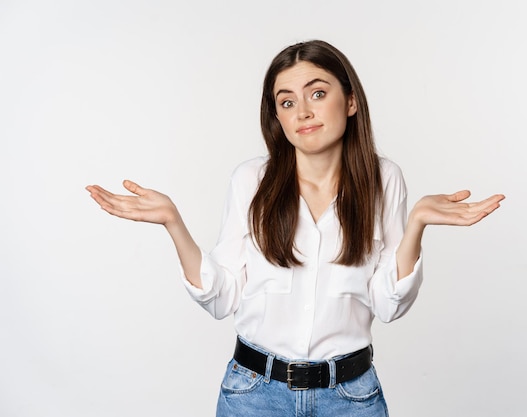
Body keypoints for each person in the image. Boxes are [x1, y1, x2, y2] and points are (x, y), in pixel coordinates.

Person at [86, 39, 504, 417]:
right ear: (277, 117)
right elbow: (221, 298)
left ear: (351, 101)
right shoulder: (251, 180)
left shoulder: (384, 179)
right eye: (286, 103)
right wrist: (173, 224)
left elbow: (388, 305)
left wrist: (416, 226)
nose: (302, 111)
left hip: (350, 397)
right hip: (253, 394)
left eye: (318, 94)